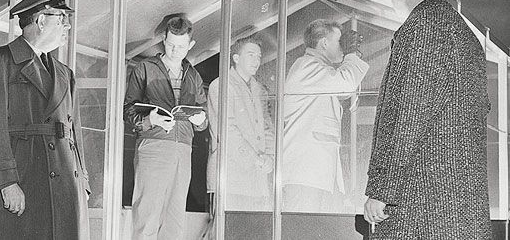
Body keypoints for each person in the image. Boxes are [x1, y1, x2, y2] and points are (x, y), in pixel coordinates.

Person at [363, 0, 492, 238]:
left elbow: (409, 116)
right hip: (460, 209)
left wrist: (383, 190)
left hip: (423, 208)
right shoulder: (462, 33)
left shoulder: (422, 27)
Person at [0, 0, 91, 240]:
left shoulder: (65, 74)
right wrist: (6, 182)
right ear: (42, 20)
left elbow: (73, 132)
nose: (67, 25)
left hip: (64, 184)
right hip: (22, 178)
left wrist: (83, 182)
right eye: (62, 18)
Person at [124, 14, 208, 239]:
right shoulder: (145, 68)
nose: (175, 51)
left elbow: (203, 117)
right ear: (163, 39)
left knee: (175, 220)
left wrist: (201, 121)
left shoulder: (194, 75)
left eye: (181, 47)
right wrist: (151, 119)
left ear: (190, 45)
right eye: (171, 45)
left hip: (183, 150)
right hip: (153, 147)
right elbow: (128, 110)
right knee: (147, 217)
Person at [282, 19, 368, 213]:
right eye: (340, 41)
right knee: (301, 231)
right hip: (305, 174)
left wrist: (351, 56)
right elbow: (346, 83)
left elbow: (346, 91)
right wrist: (352, 53)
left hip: (314, 173)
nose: (343, 47)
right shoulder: (306, 66)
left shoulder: (319, 70)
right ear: (324, 43)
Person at [207, 35, 274, 211]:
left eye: (259, 56)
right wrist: (256, 159)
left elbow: (267, 127)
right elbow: (227, 130)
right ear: (236, 58)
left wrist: (270, 157)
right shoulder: (221, 85)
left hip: (257, 181)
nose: (256, 60)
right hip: (231, 179)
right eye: (251, 55)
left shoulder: (259, 89)